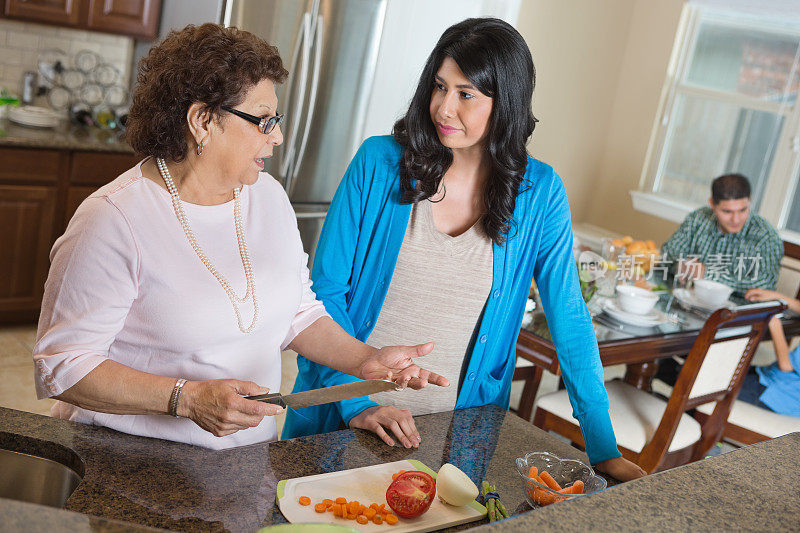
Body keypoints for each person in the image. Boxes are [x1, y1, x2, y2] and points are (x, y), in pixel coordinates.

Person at [31, 24, 445, 450]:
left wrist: (365, 359)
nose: (278, 137)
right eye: (264, 121)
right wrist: (185, 400)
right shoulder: (113, 219)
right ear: (202, 121)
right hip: (129, 462)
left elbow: (296, 312)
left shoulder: (268, 197)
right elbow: (63, 367)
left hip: (247, 462)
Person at [283, 18, 646, 481]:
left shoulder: (540, 193)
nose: (444, 108)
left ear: (505, 103)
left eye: (466, 94)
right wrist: (358, 403)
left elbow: (569, 318)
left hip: (455, 437)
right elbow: (326, 295)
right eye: (439, 87)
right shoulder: (378, 163)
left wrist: (602, 447)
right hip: (341, 420)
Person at [660, 173, 782, 292]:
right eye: (727, 211)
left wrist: (707, 275)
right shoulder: (698, 218)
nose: (736, 219)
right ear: (712, 203)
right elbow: (668, 252)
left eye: (742, 210)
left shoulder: (766, 237)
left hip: (735, 310)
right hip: (688, 299)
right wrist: (681, 265)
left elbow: (765, 285)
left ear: (750, 200)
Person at [738, 288, 800, 415]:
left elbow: (786, 365)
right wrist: (777, 296)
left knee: (704, 382)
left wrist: (774, 324)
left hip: (776, 396)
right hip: (771, 382)